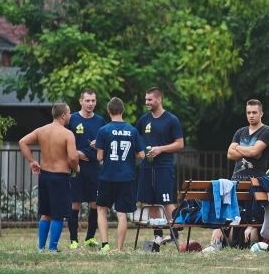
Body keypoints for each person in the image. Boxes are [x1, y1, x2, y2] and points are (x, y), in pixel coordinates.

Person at [210, 99, 269, 249]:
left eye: (254, 112)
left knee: (250, 216)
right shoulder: (240, 132)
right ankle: (226, 240)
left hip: (255, 182)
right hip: (235, 182)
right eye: (248, 112)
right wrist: (248, 150)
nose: (251, 115)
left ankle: (250, 240)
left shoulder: (266, 131)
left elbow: (254, 151)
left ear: (261, 113)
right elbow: (229, 154)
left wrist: (240, 149)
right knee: (233, 216)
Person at [19, 103, 79, 252]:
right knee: (58, 214)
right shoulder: (67, 134)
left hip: (45, 175)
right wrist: (76, 167)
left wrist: (32, 161)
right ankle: (53, 248)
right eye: (69, 113)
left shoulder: (41, 130)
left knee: (46, 213)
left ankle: (41, 247)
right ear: (63, 115)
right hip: (60, 176)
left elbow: (23, 142)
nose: (71, 116)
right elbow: (72, 157)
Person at [136, 87, 184, 252]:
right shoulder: (144, 120)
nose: (147, 102)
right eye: (146, 99)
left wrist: (160, 149)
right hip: (147, 167)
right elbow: (137, 140)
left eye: (150, 99)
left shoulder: (171, 120)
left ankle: (174, 233)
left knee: (166, 201)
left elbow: (180, 143)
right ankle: (157, 236)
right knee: (151, 202)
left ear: (159, 99)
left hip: (164, 167)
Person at [94, 97, 146, 251]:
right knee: (122, 213)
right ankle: (119, 248)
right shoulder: (132, 130)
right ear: (123, 110)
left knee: (101, 209)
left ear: (108, 111)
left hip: (108, 176)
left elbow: (99, 157)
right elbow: (142, 155)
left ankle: (105, 245)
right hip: (126, 176)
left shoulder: (103, 130)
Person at [66, 89, 106, 249]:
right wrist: (77, 154)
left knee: (94, 203)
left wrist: (98, 145)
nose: (90, 104)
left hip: (93, 167)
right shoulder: (72, 119)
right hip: (75, 167)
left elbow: (106, 144)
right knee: (75, 203)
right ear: (80, 101)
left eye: (93, 101)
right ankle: (73, 240)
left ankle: (90, 237)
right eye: (87, 100)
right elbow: (64, 142)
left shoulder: (101, 121)